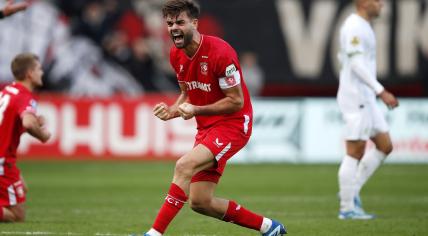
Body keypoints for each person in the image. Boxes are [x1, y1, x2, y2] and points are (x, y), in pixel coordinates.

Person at [143, 1, 286, 235]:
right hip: (207, 128)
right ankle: (269, 227)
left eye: (180, 22)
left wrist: (196, 110)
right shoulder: (175, 54)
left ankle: (154, 233)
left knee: (184, 165)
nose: (174, 28)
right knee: (200, 202)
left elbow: (236, 101)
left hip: (234, 124)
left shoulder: (220, 52)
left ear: (195, 23)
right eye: (169, 24)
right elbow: (186, 94)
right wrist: (171, 111)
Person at [336, 0, 399, 220]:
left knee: (385, 145)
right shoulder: (354, 26)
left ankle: (351, 191)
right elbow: (356, 64)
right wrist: (381, 91)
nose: (381, 4)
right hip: (356, 97)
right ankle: (346, 208)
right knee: (355, 150)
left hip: (366, 98)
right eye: (377, 0)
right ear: (362, 2)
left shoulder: (363, 25)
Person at [0, 53, 51, 222]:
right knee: (17, 215)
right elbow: (28, 123)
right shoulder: (24, 96)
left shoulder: (7, 91)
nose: (42, 72)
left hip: (5, 159)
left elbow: (8, 122)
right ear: (30, 73)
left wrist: (33, 120)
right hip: (2, 161)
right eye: (39, 69)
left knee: (24, 188)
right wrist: (43, 135)